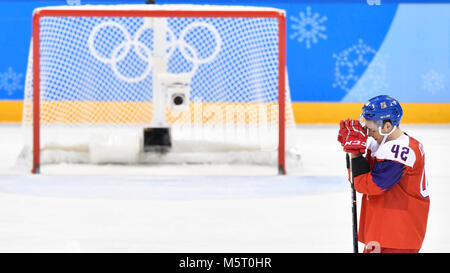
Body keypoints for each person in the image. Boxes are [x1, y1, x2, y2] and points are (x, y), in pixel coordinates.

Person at [337, 95, 430, 253]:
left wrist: (356, 155)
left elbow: (370, 186)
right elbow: (357, 179)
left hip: (398, 233)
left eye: (372, 129)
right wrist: (351, 153)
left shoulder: (401, 151)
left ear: (387, 126)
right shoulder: (379, 144)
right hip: (382, 229)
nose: (368, 133)